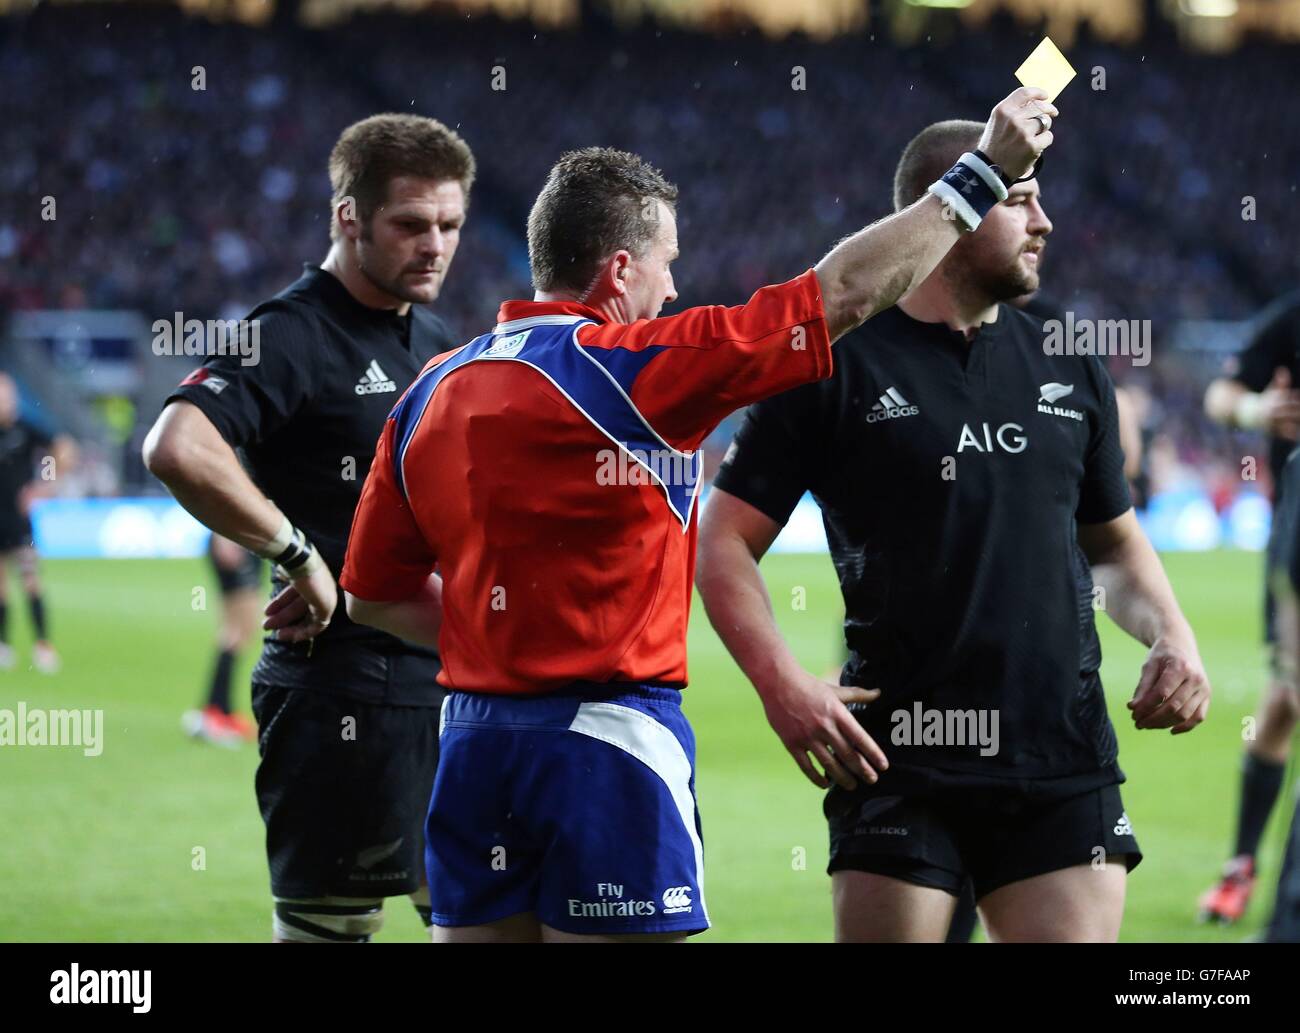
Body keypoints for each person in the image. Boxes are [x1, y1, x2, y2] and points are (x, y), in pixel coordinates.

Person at [340, 90, 1056, 943]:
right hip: (605, 748)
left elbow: (371, 596)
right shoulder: (631, 369)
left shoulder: (428, 392)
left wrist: (498, 642)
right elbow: (843, 295)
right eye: (666, 262)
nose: (674, 286)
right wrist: (982, 175)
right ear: (618, 271)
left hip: (470, 749)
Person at [696, 119, 1210, 943]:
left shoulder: (1070, 361)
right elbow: (721, 538)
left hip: (1060, 756)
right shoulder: (833, 364)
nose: (1046, 224)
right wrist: (781, 685)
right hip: (898, 761)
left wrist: (1172, 634)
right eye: (1022, 200)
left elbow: (1111, 545)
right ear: (954, 209)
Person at [143, 114, 472, 942]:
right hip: (340, 696)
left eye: (450, 224)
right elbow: (177, 443)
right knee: (333, 931)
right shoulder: (287, 332)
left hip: (454, 693)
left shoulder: (436, 339)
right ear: (347, 217)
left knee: (485, 921)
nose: (434, 245)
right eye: (410, 224)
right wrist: (297, 555)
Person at [1200, 291, 1300, 922]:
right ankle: (1243, 871)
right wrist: (1260, 407)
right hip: (1298, 533)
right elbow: (1221, 396)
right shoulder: (1291, 318)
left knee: (1285, 698)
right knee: (1287, 695)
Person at [0, 372, 73, 674]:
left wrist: (45, 485)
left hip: (20, 520)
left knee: (31, 580)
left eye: (7, 396)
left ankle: (43, 644)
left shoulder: (25, 428)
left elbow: (64, 448)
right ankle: (3, 645)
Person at [181, 532, 262, 747]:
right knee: (238, 630)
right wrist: (224, 537)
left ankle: (221, 710)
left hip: (246, 538)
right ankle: (215, 713)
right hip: (237, 538)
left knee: (238, 630)